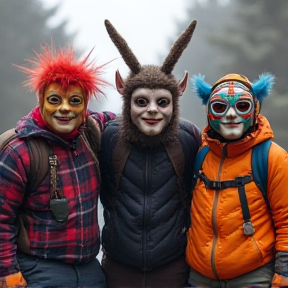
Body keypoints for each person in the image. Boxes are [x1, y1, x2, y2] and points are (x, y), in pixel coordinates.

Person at [0, 44, 115, 287]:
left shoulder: (91, 131)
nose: (65, 108)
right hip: (38, 270)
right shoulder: (19, 151)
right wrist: (6, 272)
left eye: (75, 100)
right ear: (41, 99)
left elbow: (129, 121)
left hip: (90, 270)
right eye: (55, 99)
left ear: (85, 107)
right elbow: (1, 218)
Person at [98, 19, 201, 288]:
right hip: (119, 267)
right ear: (127, 100)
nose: (152, 110)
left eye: (162, 102)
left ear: (175, 101)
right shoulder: (109, 137)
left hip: (173, 267)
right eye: (141, 101)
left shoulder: (189, 139)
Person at [186, 73, 288, 287]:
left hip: (252, 276)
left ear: (255, 109)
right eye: (220, 107)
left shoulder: (273, 158)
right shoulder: (201, 154)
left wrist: (283, 277)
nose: (231, 115)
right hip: (200, 277)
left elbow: (286, 222)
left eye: (242, 106)